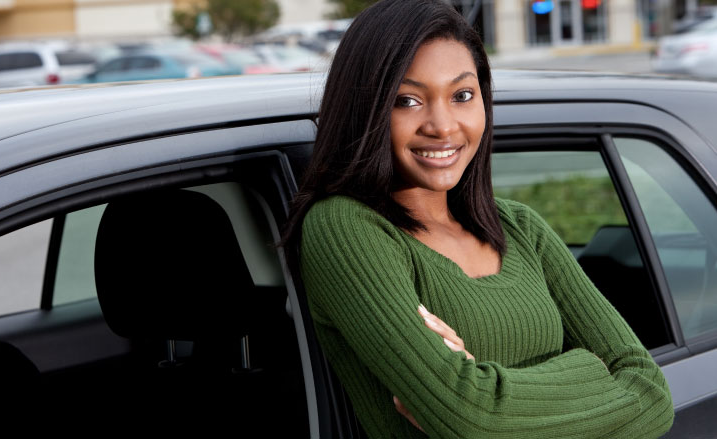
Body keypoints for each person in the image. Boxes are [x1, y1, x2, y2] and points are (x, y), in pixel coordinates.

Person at [280, 0, 675, 437]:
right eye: (407, 100)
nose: (443, 125)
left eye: (462, 95)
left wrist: (487, 388)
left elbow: (653, 395)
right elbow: (472, 419)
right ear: (366, 110)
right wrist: (591, 372)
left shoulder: (520, 228)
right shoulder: (345, 229)